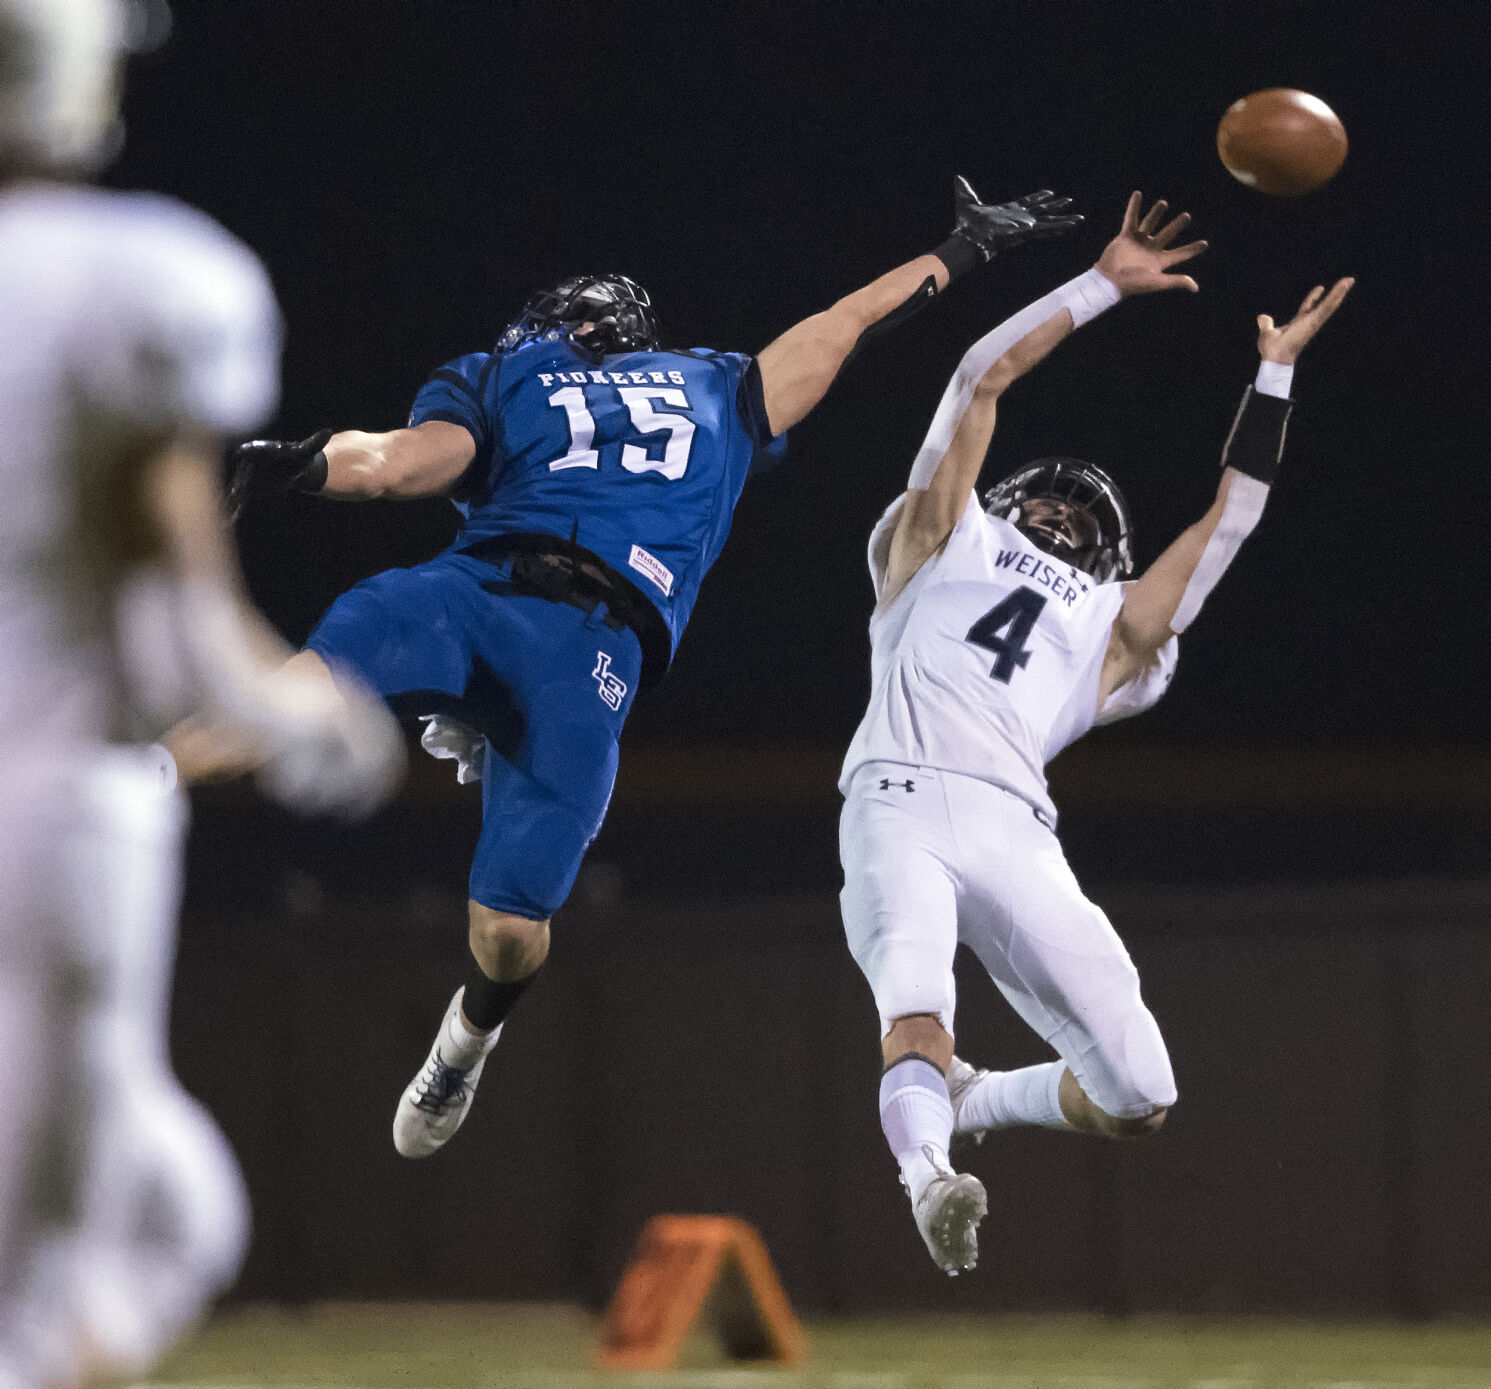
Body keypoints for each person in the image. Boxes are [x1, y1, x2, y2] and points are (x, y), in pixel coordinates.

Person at [218, 179, 1087, 1161]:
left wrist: (961, 252)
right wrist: (310, 462)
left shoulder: (708, 382)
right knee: (296, 694)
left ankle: (466, 1037)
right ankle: (129, 780)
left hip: (595, 644)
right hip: (474, 591)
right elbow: (401, 458)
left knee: (508, 934)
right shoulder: (543, 375)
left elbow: (842, 328)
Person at [836, 191, 1352, 1275]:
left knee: (1140, 1094)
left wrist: (1275, 374)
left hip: (1021, 828)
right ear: (1006, 497)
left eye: (1084, 519)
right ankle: (929, 1177)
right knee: (917, 1008)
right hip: (899, 796)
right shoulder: (938, 539)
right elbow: (979, 376)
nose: (1063, 517)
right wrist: (1099, 285)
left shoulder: (1109, 628)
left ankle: (977, 1101)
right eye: (1051, 501)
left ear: (1105, 560)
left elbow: (1229, 522)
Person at [0, 2, 403, 1385]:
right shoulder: (143, 280)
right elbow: (180, 630)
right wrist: (318, 718)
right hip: (53, 822)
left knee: (177, 1213)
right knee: (53, 1264)